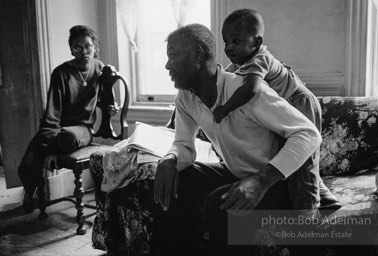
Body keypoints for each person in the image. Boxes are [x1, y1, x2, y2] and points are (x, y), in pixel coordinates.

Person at [151, 23, 322, 256]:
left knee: (219, 204)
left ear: (198, 55)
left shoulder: (246, 90)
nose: (167, 65)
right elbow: (183, 145)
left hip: (276, 184)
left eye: (173, 55)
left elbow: (308, 134)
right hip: (237, 175)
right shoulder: (185, 97)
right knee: (176, 180)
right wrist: (169, 159)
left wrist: (260, 182)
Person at [215, 8, 340, 211]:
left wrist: (224, 109)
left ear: (256, 43)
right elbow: (227, 79)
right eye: (226, 42)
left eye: (236, 41)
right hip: (285, 107)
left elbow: (251, 89)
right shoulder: (239, 65)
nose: (228, 47)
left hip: (299, 103)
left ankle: (308, 212)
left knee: (303, 159)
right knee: (288, 159)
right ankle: (323, 194)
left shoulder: (259, 59)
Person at [18, 25, 118, 214]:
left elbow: (105, 99)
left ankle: (53, 149)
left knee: (68, 138)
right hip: (56, 128)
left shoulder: (99, 68)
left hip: (82, 130)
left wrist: (112, 107)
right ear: (71, 49)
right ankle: (29, 192)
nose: (84, 52)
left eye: (88, 46)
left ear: (95, 47)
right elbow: (51, 114)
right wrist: (49, 146)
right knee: (27, 163)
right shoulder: (61, 73)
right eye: (77, 48)